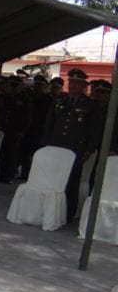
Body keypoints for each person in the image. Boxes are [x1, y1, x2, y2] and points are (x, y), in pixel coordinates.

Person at [41, 68, 99, 222]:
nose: (73, 86)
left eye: (77, 84)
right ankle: (50, 210)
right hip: (57, 145)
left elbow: (93, 128)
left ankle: (67, 212)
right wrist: (46, 143)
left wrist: (89, 148)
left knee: (72, 180)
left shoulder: (90, 104)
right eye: (71, 83)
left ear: (83, 86)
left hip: (76, 148)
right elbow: (50, 123)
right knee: (53, 178)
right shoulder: (60, 100)